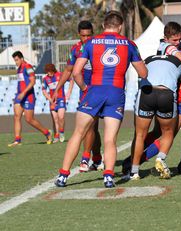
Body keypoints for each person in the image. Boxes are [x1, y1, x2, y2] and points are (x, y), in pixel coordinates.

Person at [55, 11, 148, 188]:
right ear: (120, 26)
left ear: (104, 25)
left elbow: (75, 72)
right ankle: (108, 176)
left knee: (78, 133)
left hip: (94, 91)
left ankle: (63, 175)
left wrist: (84, 88)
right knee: (110, 139)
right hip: (116, 93)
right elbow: (143, 73)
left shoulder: (90, 42)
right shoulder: (129, 44)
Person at [130, 54, 181, 179]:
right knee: (168, 132)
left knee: (140, 134)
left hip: (146, 93)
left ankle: (134, 172)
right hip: (166, 94)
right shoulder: (180, 62)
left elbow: (140, 77)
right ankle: (160, 158)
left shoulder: (148, 59)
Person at [53, 20, 103, 172]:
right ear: (78, 35)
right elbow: (68, 70)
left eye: (88, 35)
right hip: (85, 91)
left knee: (93, 127)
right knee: (91, 125)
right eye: (83, 36)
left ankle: (91, 158)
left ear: (92, 34)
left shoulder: (99, 46)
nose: (86, 39)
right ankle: (91, 158)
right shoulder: (76, 49)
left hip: (101, 89)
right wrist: (58, 88)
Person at [8, 51, 52, 147]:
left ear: (21, 59)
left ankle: (47, 133)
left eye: (16, 60)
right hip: (19, 96)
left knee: (29, 119)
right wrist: (18, 94)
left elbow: (33, 82)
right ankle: (17, 140)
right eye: (14, 60)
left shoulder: (28, 67)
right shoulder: (19, 69)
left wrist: (23, 93)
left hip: (28, 96)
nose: (15, 62)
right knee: (16, 116)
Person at [42, 64, 72, 143]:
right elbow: (44, 90)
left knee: (61, 117)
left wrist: (69, 92)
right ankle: (56, 136)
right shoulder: (45, 79)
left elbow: (71, 79)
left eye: (49, 71)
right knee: (55, 119)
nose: (48, 73)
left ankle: (61, 132)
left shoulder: (60, 75)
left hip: (61, 99)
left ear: (53, 70)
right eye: (47, 72)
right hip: (53, 101)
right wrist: (50, 99)